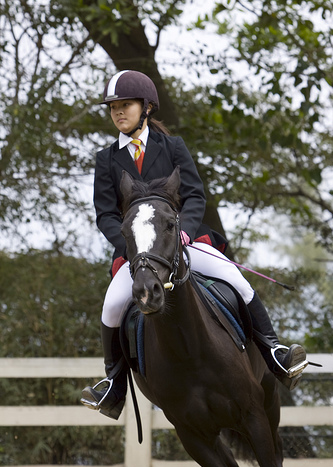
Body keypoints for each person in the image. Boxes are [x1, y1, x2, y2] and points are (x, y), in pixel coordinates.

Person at [81, 70, 307, 419]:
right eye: (113, 108)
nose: (118, 113)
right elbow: (105, 215)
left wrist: (184, 231)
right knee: (111, 306)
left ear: (147, 108)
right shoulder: (106, 159)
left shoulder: (173, 147)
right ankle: (114, 385)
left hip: (183, 243)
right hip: (140, 254)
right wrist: (131, 246)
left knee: (235, 279)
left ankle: (274, 352)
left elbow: (195, 195)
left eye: (125, 105)